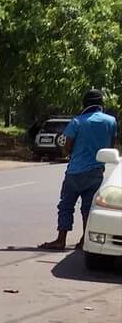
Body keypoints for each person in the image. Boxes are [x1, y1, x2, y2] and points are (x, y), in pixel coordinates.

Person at [40, 90, 117, 251]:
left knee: (66, 206)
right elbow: (111, 145)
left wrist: (65, 150)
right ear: (101, 104)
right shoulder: (111, 121)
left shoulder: (77, 122)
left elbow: (66, 149)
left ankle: (61, 240)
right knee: (88, 208)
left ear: (85, 104)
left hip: (75, 171)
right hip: (96, 171)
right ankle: (84, 240)